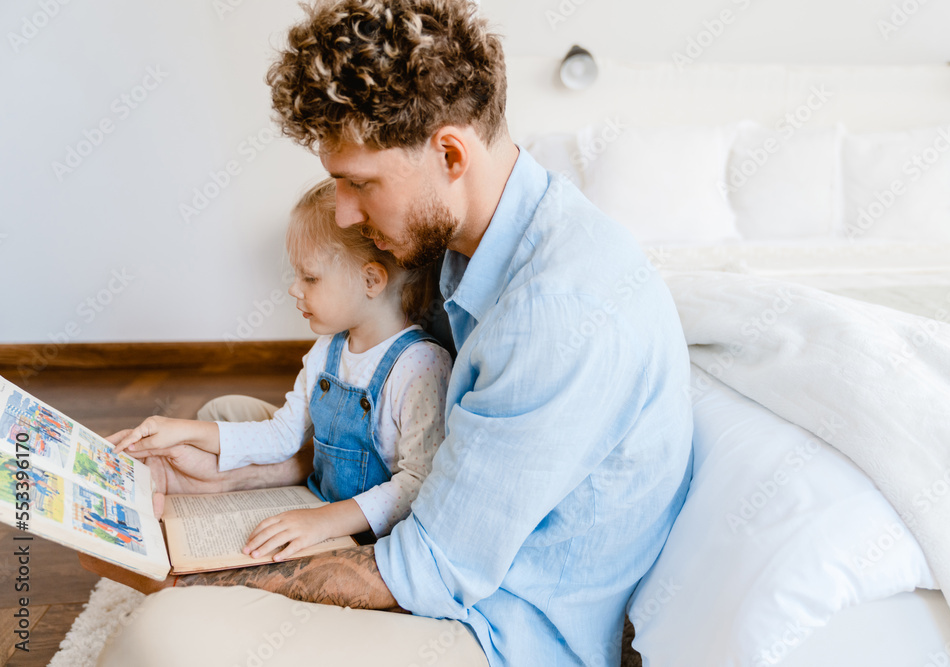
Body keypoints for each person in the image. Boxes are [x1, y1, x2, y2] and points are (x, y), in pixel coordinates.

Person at [88, 1, 694, 665]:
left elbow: (426, 570)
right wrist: (234, 473)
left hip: (490, 626)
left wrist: (199, 578)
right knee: (225, 417)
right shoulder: (467, 240)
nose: (345, 212)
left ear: (450, 152)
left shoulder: (554, 313)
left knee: (161, 635)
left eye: (360, 184)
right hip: (430, 525)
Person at [112, 179, 452, 558]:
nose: (294, 289)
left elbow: (420, 482)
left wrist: (324, 521)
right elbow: (281, 436)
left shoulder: (421, 365)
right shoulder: (326, 351)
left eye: (310, 277)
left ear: (371, 280)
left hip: (375, 542)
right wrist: (180, 431)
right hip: (317, 510)